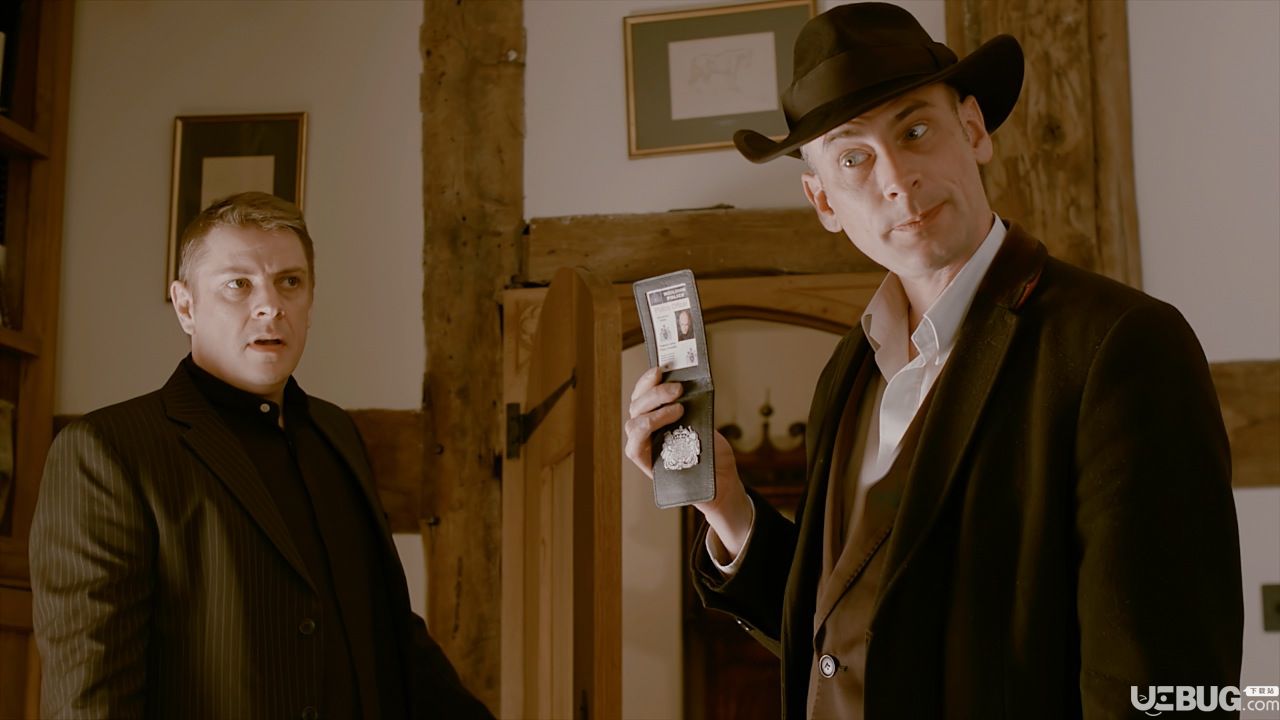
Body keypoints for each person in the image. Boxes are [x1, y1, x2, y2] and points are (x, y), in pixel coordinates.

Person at [624, 4, 1242, 718]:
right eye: (853, 158)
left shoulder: (1122, 345)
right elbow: (840, 637)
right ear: (823, 200)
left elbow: (1167, 694)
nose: (897, 178)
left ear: (973, 131)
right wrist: (727, 506)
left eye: (915, 131)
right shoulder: (844, 373)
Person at [31, 192, 492, 719]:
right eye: (238, 284)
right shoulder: (105, 450)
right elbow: (88, 698)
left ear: (310, 301)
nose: (270, 305)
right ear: (185, 306)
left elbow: (390, 635)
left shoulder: (336, 433)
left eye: (290, 282)